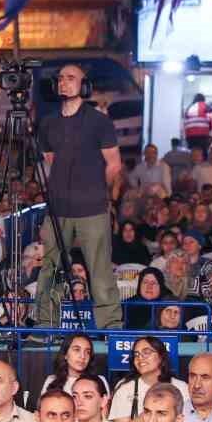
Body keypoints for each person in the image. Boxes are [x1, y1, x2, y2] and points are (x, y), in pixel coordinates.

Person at [35, 63, 124, 329]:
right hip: (58, 208)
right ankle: (45, 326)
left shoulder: (99, 121)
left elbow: (115, 164)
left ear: (84, 85)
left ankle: (110, 328)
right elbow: (50, 161)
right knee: (49, 268)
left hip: (92, 208)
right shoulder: (48, 122)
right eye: (61, 78)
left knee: (99, 271)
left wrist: (95, 188)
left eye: (71, 78)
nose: (64, 82)